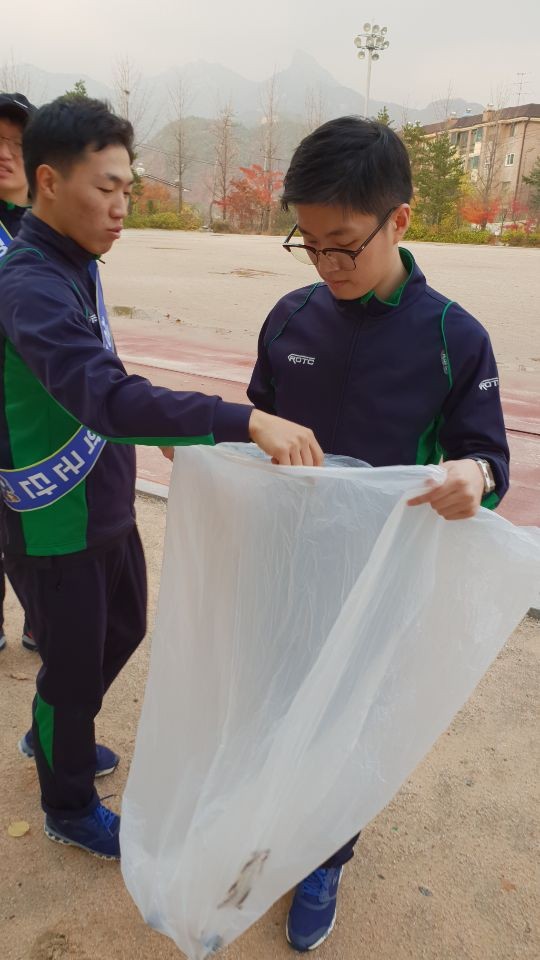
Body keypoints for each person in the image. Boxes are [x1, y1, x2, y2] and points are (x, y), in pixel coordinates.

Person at [0, 96, 322, 861]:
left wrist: (168, 430)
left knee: (123, 629)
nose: (122, 206)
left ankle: (56, 726)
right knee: (74, 670)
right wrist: (242, 420)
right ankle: (67, 801)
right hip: (55, 518)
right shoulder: (29, 286)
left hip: (103, 496)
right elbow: (105, 396)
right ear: (50, 182)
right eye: (105, 188)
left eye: (127, 187)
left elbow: (99, 385)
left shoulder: (73, 260)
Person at [247, 116, 509, 952]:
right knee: (280, 698)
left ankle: (326, 857)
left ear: (398, 219)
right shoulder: (290, 319)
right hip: (289, 561)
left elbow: (488, 456)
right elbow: (255, 422)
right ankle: (270, 823)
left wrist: (475, 477)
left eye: (345, 246)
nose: (327, 266)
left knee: (350, 719)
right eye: (310, 245)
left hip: (382, 577)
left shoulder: (453, 337)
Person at [0, 91, 37, 652]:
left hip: (35, 413)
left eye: (17, 144)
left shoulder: (59, 230)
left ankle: (40, 616)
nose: (5, 154)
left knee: (34, 524)